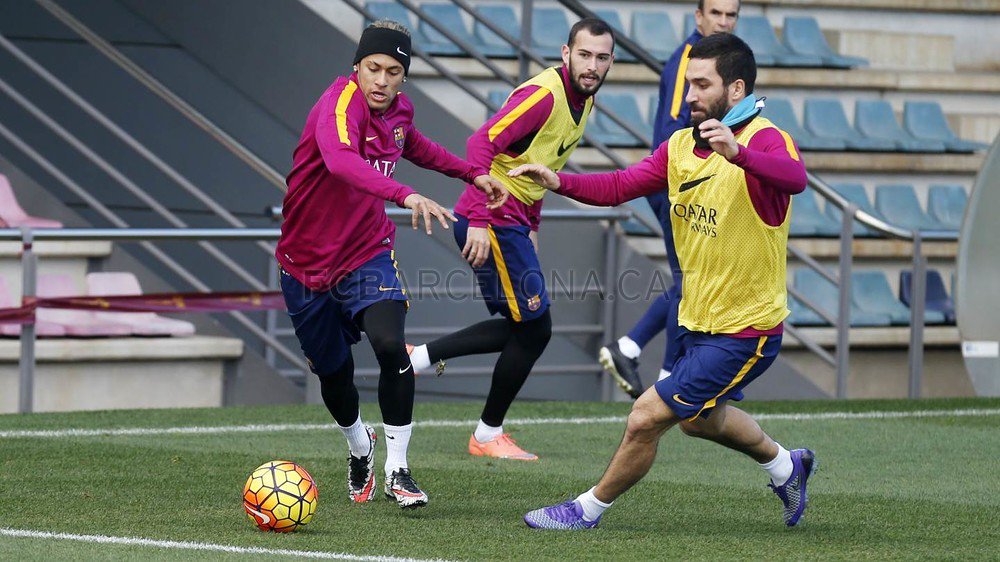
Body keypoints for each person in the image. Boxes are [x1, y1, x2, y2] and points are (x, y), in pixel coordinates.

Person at [513, 33, 816, 529]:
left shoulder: (765, 138)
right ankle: (787, 466)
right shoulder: (679, 145)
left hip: (747, 328)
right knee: (698, 421)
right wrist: (560, 181)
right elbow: (620, 185)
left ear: (736, 89)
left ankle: (586, 510)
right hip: (697, 321)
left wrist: (739, 154)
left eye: (702, 85)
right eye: (688, 83)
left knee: (646, 417)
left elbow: (795, 178)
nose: (689, 95)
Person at [276, 20, 506, 509]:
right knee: (333, 374)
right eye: (373, 68)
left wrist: (473, 174)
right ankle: (360, 444)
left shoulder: (399, 110)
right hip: (306, 265)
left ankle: (398, 470)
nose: (381, 80)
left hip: (367, 252)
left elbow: (414, 145)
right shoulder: (339, 105)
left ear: (404, 76)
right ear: (356, 67)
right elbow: (340, 161)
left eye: (393, 71)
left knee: (389, 345)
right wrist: (405, 194)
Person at [405, 18, 616, 461]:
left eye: (601, 57)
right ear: (565, 53)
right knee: (536, 328)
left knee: (527, 328)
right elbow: (480, 143)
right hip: (492, 219)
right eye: (584, 54)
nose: (592, 65)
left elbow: (536, 168)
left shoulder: (585, 100)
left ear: (610, 61)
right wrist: (481, 219)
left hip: (513, 221)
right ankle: (486, 434)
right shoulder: (545, 95)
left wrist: (533, 227)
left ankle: (419, 359)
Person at [601, 0, 741, 400]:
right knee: (691, 281)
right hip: (678, 184)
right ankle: (667, 377)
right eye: (715, 13)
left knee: (692, 279)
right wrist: (687, 181)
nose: (723, 21)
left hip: (695, 184)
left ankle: (632, 350)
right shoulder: (691, 61)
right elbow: (671, 132)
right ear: (698, 17)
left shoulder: (720, 59)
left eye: (731, 15)